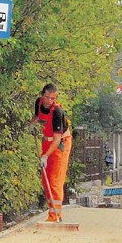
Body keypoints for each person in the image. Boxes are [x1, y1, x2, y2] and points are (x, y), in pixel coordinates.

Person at [29, 83, 73, 222]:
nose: (49, 101)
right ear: (42, 95)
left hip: (60, 144)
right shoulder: (39, 102)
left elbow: (57, 139)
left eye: (52, 98)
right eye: (47, 97)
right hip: (47, 141)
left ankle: (55, 216)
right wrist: (32, 125)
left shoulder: (57, 112)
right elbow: (37, 116)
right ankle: (52, 211)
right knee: (46, 178)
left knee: (55, 180)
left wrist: (45, 156)